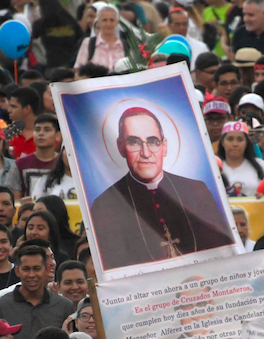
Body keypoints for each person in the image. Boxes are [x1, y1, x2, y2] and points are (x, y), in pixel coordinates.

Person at [87, 107, 236, 271]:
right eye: (134, 142)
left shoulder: (196, 190)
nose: (146, 153)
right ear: (121, 147)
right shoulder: (106, 204)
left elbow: (223, 250)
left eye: (152, 142)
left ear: (164, 146)